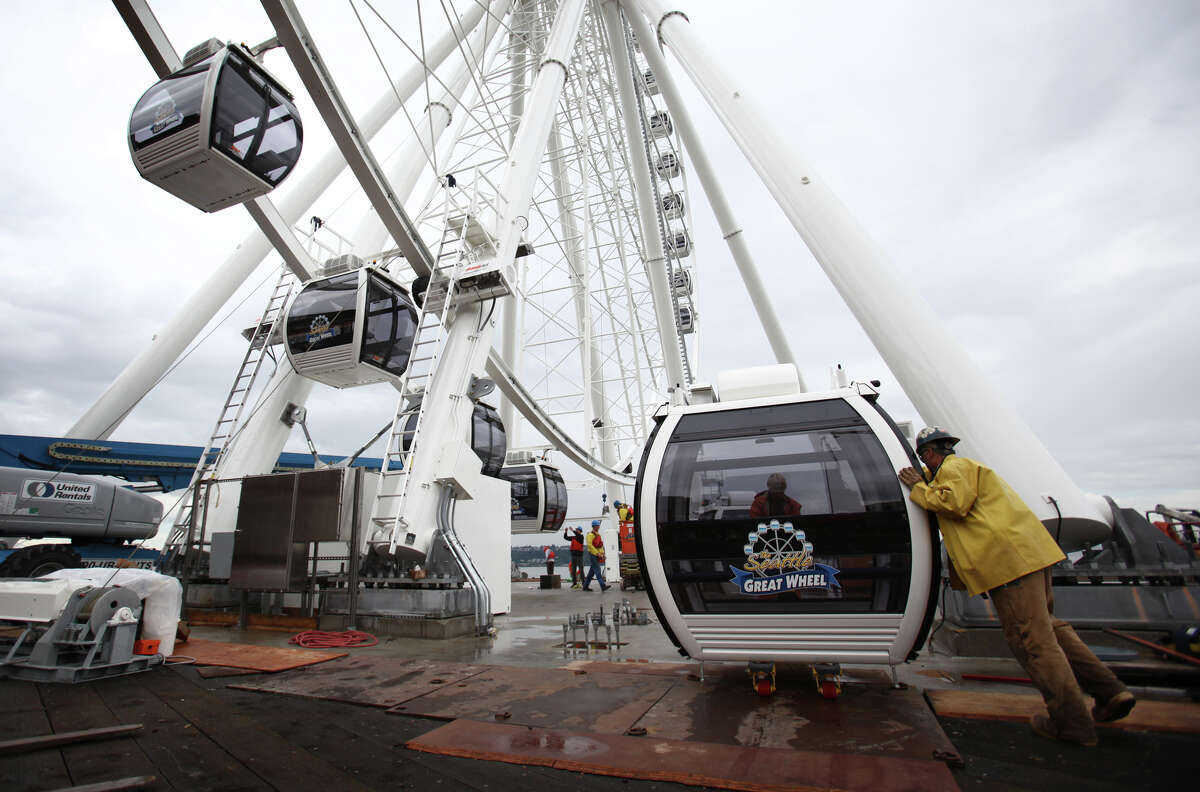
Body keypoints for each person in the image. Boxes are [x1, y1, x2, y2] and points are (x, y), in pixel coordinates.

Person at [897, 426, 1135, 747]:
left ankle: (1071, 723)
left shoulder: (955, 468)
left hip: (1006, 565)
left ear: (928, 453)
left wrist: (916, 487)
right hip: (1026, 557)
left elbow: (954, 503)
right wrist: (926, 481)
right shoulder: (963, 470)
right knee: (1051, 630)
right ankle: (1110, 692)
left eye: (924, 457)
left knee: (1032, 642)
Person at [582, 519, 611, 592]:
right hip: (593, 555)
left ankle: (585, 586)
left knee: (591, 572)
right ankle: (603, 586)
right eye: (597, 526)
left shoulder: (598, 535)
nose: (599, 527)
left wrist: (602, 554)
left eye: (599, 526)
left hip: (597, 555)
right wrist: (597, 553)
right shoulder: (590, 535)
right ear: (594, 526)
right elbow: (590, 546)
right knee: (598, 570)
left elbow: (600, 546)